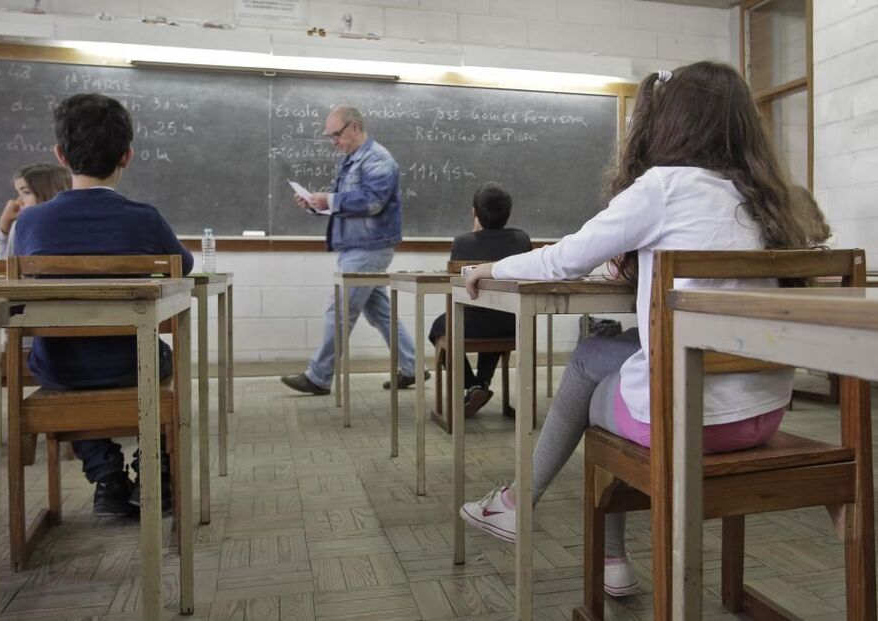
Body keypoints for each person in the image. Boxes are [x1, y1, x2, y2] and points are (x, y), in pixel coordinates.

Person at [456, 61, 828, 597]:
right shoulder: (769, 198)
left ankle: (535, 512)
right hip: (763, 413)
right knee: (607, 355)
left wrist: (489, 267)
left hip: (693, 422)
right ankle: (568, 534)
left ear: (672, 121)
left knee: (590, 373)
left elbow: (564, 259)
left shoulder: (664, 187)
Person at [14, 93, 194, 516]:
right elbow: (182, 266)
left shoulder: (30, 221)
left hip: (60, 369)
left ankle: (107, 477)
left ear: (60, 155)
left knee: (64, 363)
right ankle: (156, 472)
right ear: (126, 156)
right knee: (163, 359)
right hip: (133, 366)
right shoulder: (144, 218)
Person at [281, 105, 425, 396]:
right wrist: (315, 205)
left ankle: (319, 376)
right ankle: (413, 367)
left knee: (339, 310)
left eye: (336, 134)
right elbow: (345, 205)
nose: (333, 141)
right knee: (381, 313)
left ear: (355, 127)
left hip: (369, 248)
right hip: (358, 246)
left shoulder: (378, 159)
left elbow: (373, 202)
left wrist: (330, 200)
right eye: (330, 136)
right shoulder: (353, 159)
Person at [428, 181, 531, 417]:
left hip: (473, 323)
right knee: (496, 315)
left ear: (475, 213)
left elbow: (458, 288)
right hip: (513, 323)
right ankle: (482, 383)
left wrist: (476, 234)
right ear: (508, 212)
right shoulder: (521, 239)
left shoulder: (463, 242)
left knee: (438, 328)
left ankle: (472, 384)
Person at [0, 162, 71, 258]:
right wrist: (4, 226)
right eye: (18, 193)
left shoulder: (24, 225)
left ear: (50, 192)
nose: (18, 202)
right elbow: (8, 264)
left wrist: (4, 228)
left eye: (26, 192)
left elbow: (7, 264)